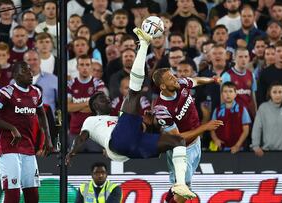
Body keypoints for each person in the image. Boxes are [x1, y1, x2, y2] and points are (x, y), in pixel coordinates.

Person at [66, 28, 197, 200]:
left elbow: (138, 129)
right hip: (118, 142)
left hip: (132, 146)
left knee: (178, 141)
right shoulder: (91, 120)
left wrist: (148, 126)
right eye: (100, 99)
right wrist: (72, 151)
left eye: (105, 97)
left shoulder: (119, 118)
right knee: (133, 92)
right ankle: (143, 44)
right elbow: (81, 137)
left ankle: (179, 185)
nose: (105, 99)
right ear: (94, 107)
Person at [0, 61, 53, 203]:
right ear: (15, 75)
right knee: (13, 194)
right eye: (25, 71)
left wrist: (48, 138)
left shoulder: (36, 92)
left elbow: (41, 114)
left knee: (32, 193)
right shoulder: (6, 92)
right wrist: (12, 128)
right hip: (8, 148)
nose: (30, 73)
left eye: (30, 70)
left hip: (28, 147)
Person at [152, 67, 223, 203]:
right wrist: (204, 127)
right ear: (162, 86)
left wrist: (213, 80)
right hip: (181, 151)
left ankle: (170, 197)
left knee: (180, 186)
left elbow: (196, 80)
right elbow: (177, 139)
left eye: (173, 75)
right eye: (170, 78)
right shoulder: (162, 109)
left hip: (195, 142)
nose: (175, 78)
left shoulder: (181, 84)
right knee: (183, 190)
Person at [251, 82, 282, 157]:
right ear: (270, 93)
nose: (277, 95)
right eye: (274, 92)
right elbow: (257, 129)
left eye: (280, 92)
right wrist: (256, 146)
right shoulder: (263, 108)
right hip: (266, 152)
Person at [210, 82, 251, 153]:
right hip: (221, 149)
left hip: (239, 149)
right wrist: (216, 140)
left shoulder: (242, 109)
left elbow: (246, 130)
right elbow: (212, 129)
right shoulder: (217, 110)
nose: (228, 94)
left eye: (231, 91)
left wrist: (237, 145)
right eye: (225, 91)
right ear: (222, 94)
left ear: (235, 94)